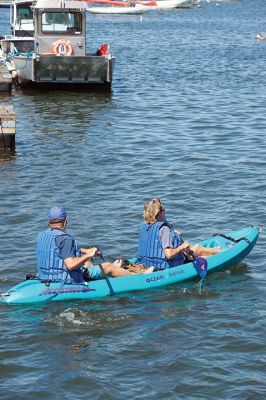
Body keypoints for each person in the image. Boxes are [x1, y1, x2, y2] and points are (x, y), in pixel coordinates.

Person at [36, 205, 153, 284]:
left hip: (47, 275)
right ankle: (140, 278)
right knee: (106, 266)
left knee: (87, 263)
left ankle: (115, 270)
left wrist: (84, 251)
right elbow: (70, 265)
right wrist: (89, 254)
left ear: (49, 222)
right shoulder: (65, 239)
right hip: (64, 279)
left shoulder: (42, 235)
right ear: (66, 221)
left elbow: (58, 249)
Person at [136, 198, 221, 270]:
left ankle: (214, 252)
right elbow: (168, 254)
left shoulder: (145, 226)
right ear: (159, 213)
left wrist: (175, 236)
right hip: (166, 266)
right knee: (197, 248)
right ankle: (221, 252)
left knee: (192, 250)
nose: (165, 212)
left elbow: (155, 244)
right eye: (163, 210)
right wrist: (182, 246)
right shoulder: (164, 229)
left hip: (147, 264)